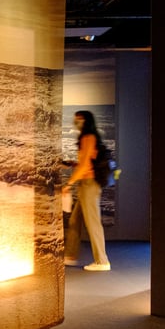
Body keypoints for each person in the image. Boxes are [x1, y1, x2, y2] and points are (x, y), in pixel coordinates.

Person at [61, 110, 111, 272]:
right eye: (76, 118)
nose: (76, 121)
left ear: (87, 120)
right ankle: (70, 255)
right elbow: (86, 162)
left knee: (93, 223)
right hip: (85, 184)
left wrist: (69, 183)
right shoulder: (87, 137)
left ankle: (102, 261)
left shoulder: (88, 137)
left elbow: (85, 166)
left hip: (89, 184)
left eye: (80, 119)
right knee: (75, 221)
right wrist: (72, 165)